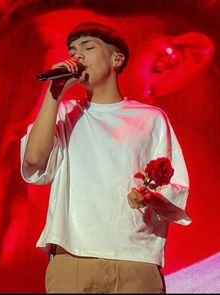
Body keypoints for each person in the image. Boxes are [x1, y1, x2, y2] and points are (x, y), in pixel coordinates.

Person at [20, 22, 191, 293]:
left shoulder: (150, 119)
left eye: (88, 47)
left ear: (116, 58)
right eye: (73, 51)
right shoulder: (65, 114)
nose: (78, 57)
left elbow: (174, 187)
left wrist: (147, 196)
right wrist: (55, 92)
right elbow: (34, 160)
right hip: (73, 258)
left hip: (136, 260)